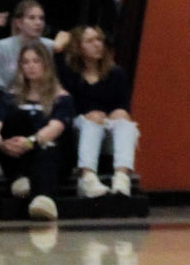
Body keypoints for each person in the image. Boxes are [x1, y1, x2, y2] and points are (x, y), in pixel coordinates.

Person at [0, 38, 74, 222]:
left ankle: (43, 199)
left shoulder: (61, 97)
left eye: (36, 61)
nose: (31, 67)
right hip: (16, 153)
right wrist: (2, 144)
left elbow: (55, 128)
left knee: (49, 148)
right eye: (26, 62)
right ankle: (19, 178)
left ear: (46, 64)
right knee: (15, 119)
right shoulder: (10, 96)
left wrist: (30, 142)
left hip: (46, 151)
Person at [56, 24, 138, 200]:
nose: (97, 44)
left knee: (123, 117)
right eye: (90, 41)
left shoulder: (116, 73)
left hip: (106, 127)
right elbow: (66, 106)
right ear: (78, 47)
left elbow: (123, 105)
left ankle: (122, 176)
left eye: (99, 40)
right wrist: (58, 48)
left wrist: (116, 114)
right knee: (94, 117)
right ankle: (87, 176)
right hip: (78, 127)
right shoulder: (69, 73)